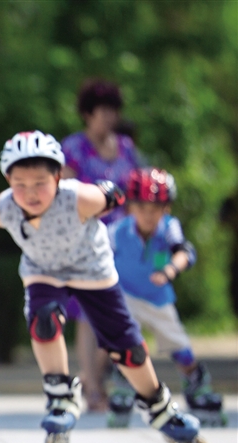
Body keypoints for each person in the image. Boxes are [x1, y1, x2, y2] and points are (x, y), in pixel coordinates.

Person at [0, 130, 210, 443]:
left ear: (58, 177)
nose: (30, 193)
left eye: (40, 183)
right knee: (43, 321)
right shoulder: (4, 208)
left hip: (93, 271)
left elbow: (111, 194)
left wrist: (106, 193)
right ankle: (60, 396)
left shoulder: (78, 198)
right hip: (44, 271)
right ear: (8, 182)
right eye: (20, 184)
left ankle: (159, 407)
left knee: (127, 348)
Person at [107, 167, 226, 427]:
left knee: (179, 347)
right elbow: (98, 256)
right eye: (142, 208)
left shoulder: (169, 228)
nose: (148, 216)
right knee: (124, 345)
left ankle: (197, 386)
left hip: (158, 298)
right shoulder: (117, 231)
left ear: (166, 208)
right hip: (126, 297)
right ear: (130, 207)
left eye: (155, 209)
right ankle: (123, 387)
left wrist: (171, 269)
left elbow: (184, 251)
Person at [61, 79, 141, 412]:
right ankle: (93, 388)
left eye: (112, 110)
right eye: (101, 110)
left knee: (119, 310)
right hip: (86, 239)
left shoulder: (126, 147)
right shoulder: (73, 148)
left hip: (122, 241)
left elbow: (136, 193)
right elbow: (63, 194)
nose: (107, 117)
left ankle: (96, 375)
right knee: (87, 313)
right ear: (87, 113)